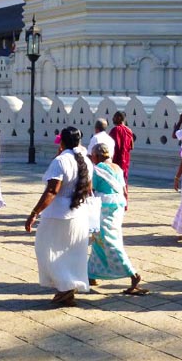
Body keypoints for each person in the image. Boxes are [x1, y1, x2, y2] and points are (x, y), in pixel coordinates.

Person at [25, 126, 93, 306]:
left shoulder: (61, 161)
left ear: (62, 141)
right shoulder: (86, 160)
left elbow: (52, 191)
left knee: (45, 249)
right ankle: (67, 287)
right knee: (71, 253)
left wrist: (34, 213)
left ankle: (64, 287)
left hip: (57, 215)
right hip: (79, 214)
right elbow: (89, 189)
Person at [88, 143, 146, 294]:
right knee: (98, 239)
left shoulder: (97, 169)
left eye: (93, 155)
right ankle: (91, 273)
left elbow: (91, 189)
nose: (92, 158)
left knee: (108, 241)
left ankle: (132, 273)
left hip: (104, 208)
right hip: (117, 208)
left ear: (97, 156)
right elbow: (123, 189)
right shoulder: (117, 168)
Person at [109, 111, 134, 184]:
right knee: (123, 180)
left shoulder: (115, 130)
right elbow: (132, 146)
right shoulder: (129, 130)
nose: (112, 119)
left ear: (119, 118)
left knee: (115, 181)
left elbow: (110, 145)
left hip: (116, 159)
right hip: (126, 160)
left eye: (114, 117)